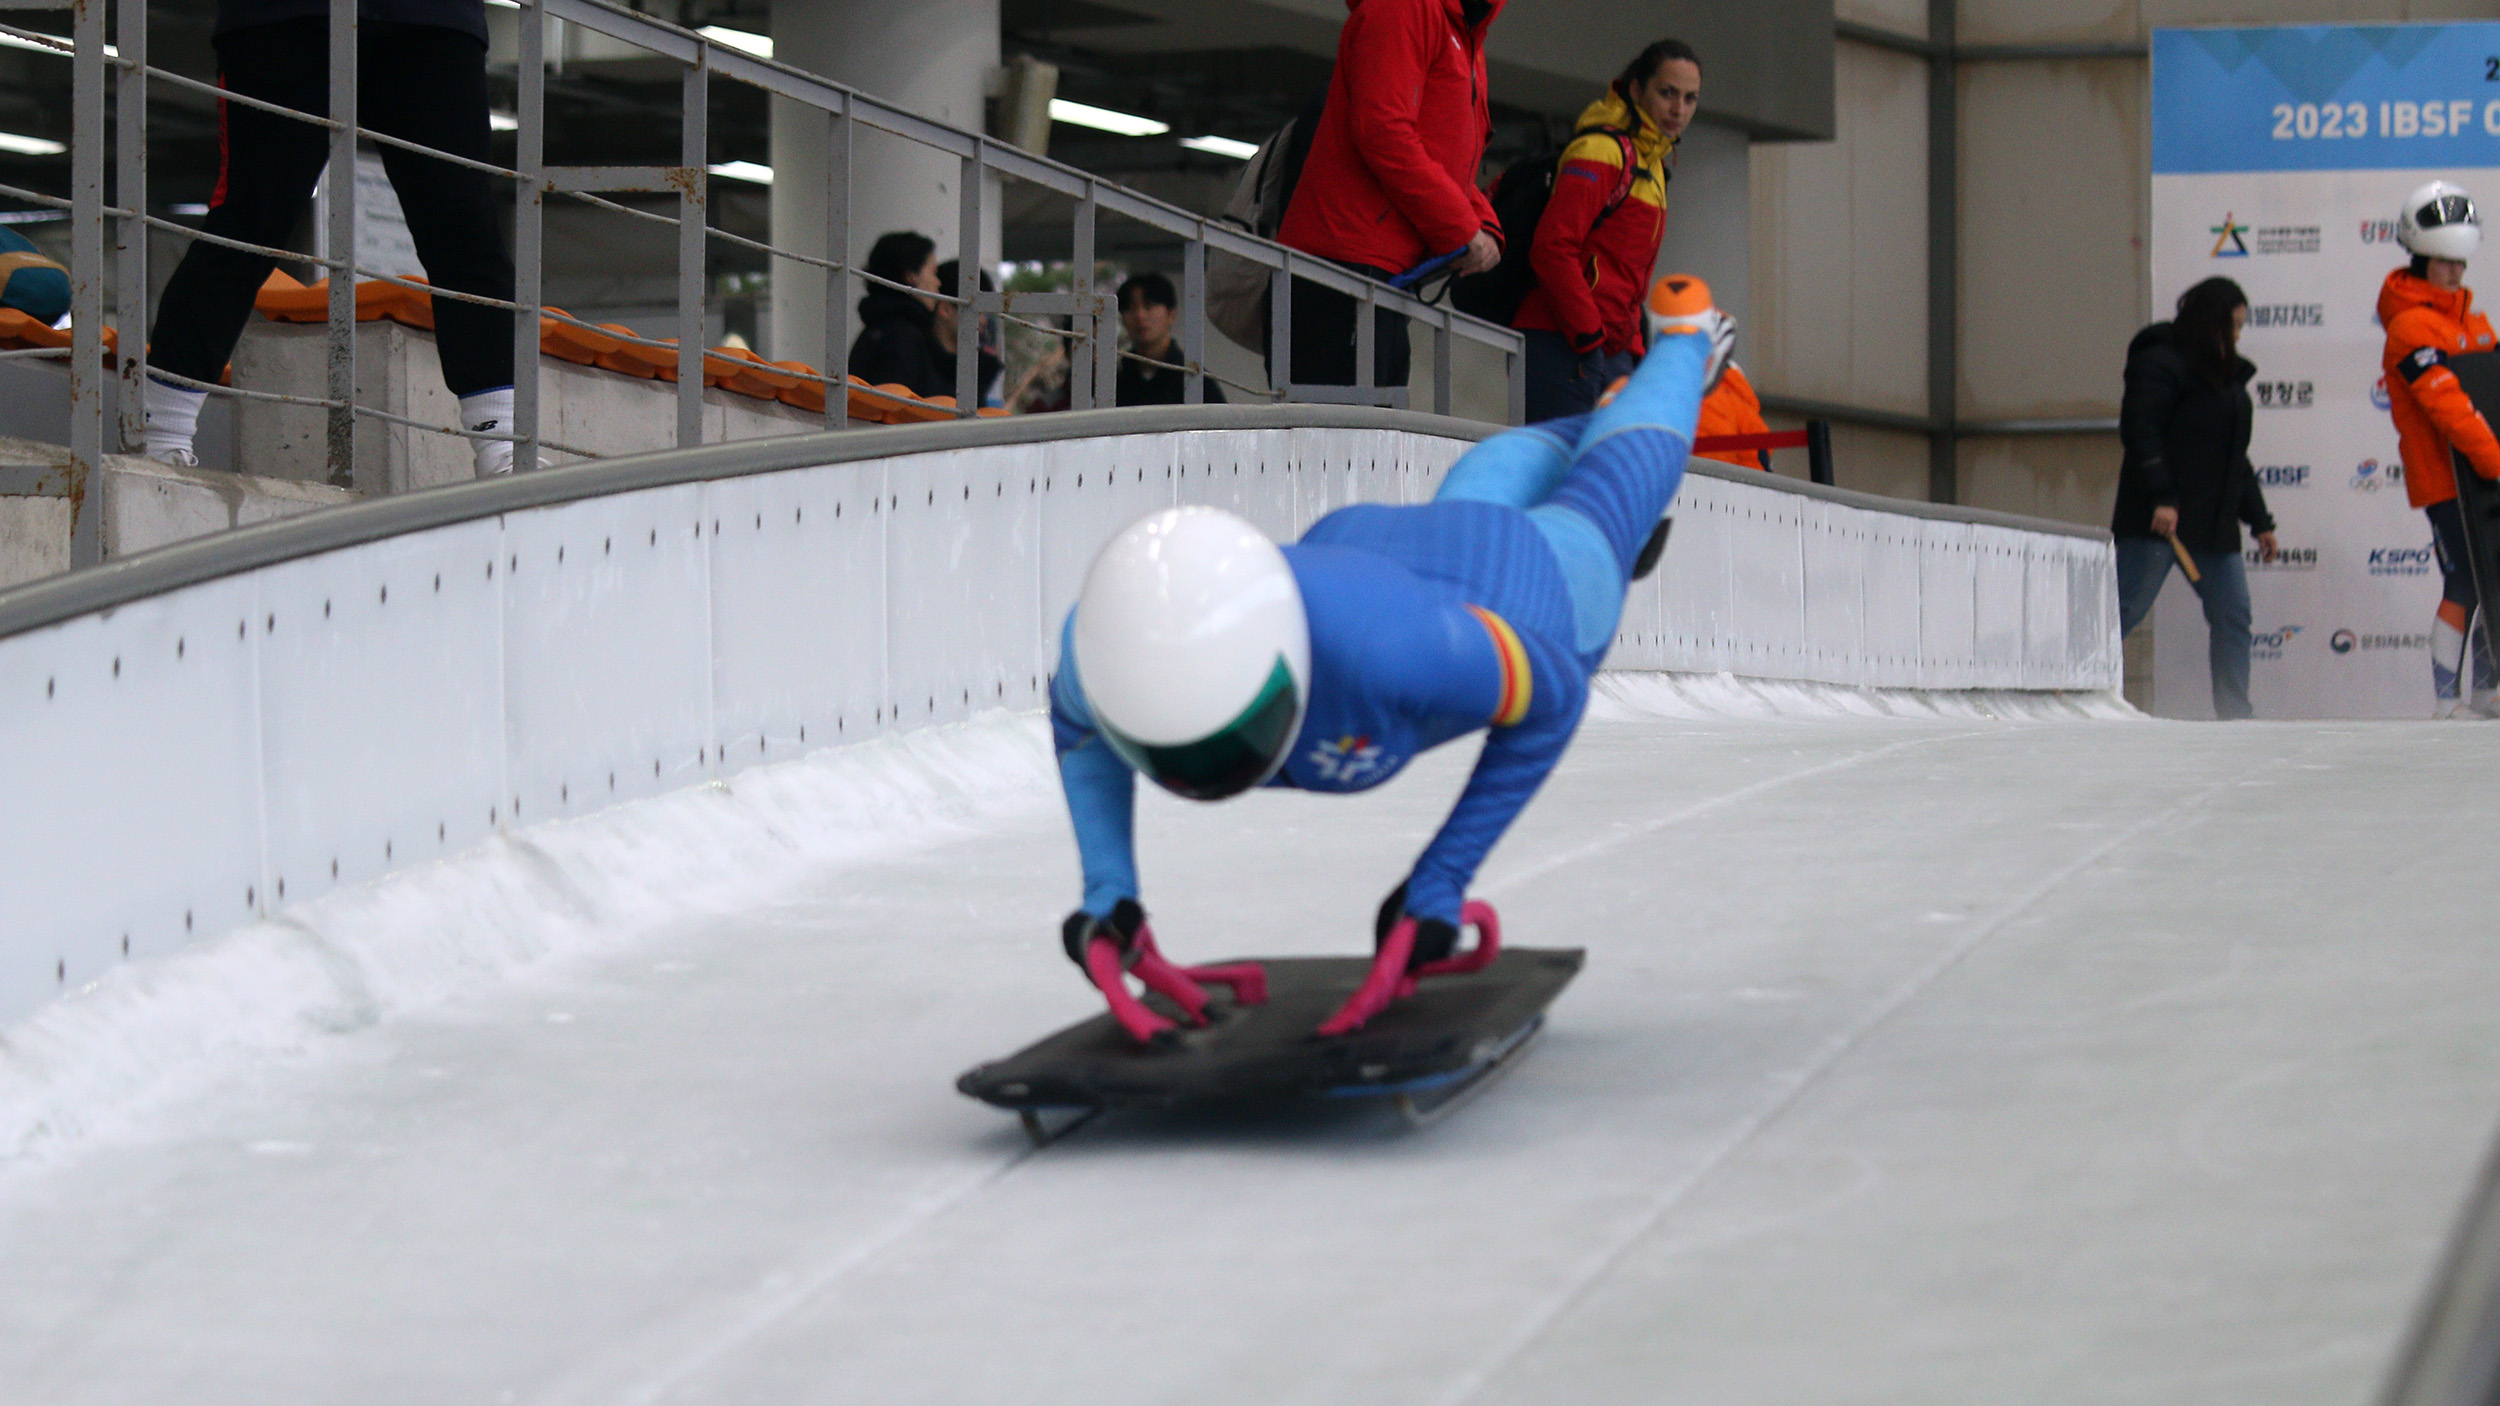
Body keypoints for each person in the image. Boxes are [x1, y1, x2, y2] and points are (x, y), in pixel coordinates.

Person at [1047, 274, 1733, 1041]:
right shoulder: (1101, 645)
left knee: (1610, 495)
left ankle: (1685, 335)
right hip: (1381, 551)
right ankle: (1615, 411)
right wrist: (1110, 894)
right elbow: (1079, 721)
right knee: (1524, 468)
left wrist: (1441, 881)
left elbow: (1557, 696)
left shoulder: (1402, 657)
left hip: (1531, 581)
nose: (1216, 775)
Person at [140, 0, 521, 477]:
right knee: (250, 224)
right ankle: (162, 434)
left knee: (464, 229)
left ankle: (501, 443)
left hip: (427, 18)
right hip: (289, 17)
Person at [1272, 0, 1505, 393]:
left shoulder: (1465, 34)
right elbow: (1383, 130)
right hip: (1345, 264)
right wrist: (1464, 227)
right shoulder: (1406, 8)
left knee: (1371, 439)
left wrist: (1483, 225)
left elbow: (1448, 158)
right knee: (1342, 444)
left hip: (1385, 272)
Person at [2111, 276, 2278, 720]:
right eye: (2233, 327)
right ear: (2211, 324)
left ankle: (2235, 713)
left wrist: (2259, 521)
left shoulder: (2227, 381)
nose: (2238, 337)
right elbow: (2141, 433)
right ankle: (2065, 690)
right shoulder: (2160, 364)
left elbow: (2234, 459)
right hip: (2157, 525)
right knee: (2121, 611)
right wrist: (2162, 497)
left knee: (2233, 618)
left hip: (2213, 527)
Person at [1514, 38, 1699, 423]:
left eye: (1689, 98)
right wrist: (1589, 337)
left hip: (1605, 349)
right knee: (1565, 477)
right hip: (1563, 341)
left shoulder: (1654, 166)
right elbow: (1552, 248)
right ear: (1636, 89)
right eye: (1667, 93)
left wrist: (1631, 350)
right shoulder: (1603, 151)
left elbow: (1627, 280)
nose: (1678, 109)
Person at [2377, 180, 2500, 717]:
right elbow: (2445, 404)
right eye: (2444, 262)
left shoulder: (2473, 321)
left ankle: (2488, 691)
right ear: (2420, 260)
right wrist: (2494, 458)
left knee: (2493, 581)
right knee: (2466, 582)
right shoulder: (2409, 327)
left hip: (2484, 474)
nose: (2455, 273)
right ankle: (2446, 703)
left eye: (2461, 264)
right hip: (2448, 479)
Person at [847, 231, 947, 400]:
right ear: (911, 275)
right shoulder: (904, 337)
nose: (939, 282)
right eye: (933, 272)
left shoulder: (875, 332)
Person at [1114, 271, 1227, 407]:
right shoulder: (1117, 378)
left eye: (1149, 305)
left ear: (1171, 314)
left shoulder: (1194, 379)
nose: (1140, 315)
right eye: (1131, 308)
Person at [931, 259, 1005, 408]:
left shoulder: (982, 370)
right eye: (978, 312)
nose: (984, 321)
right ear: (945, 309)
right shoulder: (918, 363)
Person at [1695, 361, 1770, 471]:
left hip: (1681, 473)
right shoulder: (1742, 406)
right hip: (1724, 480)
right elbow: (1757, 462)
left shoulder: (1682, 386)